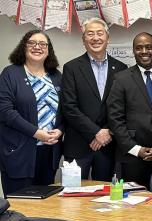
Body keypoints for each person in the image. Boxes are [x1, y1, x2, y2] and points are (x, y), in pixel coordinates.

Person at [107, 32, 152, 187]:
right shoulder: (121, 79)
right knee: (132, 208)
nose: (144, 51)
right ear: (133, 51)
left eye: (149, 47)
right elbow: (115, 119)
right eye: (139, 48)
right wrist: (136, 149)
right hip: (131, 157)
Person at [61, 17, 127, 181]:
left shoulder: (121, 68)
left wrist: (107, 132)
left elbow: (122, 107)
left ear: (108, 38)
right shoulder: (71, 68)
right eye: (90, 34)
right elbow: (69, 107)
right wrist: (95, 132)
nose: (95, 38)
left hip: (107, 146)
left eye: (100, 33)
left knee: (105, 199)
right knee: (72, 198)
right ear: (83, 40)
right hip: (78, 145)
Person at [0, 30, 63, 195]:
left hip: (49, 153)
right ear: (24, 47)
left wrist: (61, 130)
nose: (37, 47)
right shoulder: (10, 73)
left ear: (48, 50)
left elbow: (66, 111)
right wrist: (36, 133)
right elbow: (5, 111)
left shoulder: (56, 76)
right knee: (19, 209)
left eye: (42, 44)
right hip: (19, 152)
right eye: (32, 43)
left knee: (46, 207)